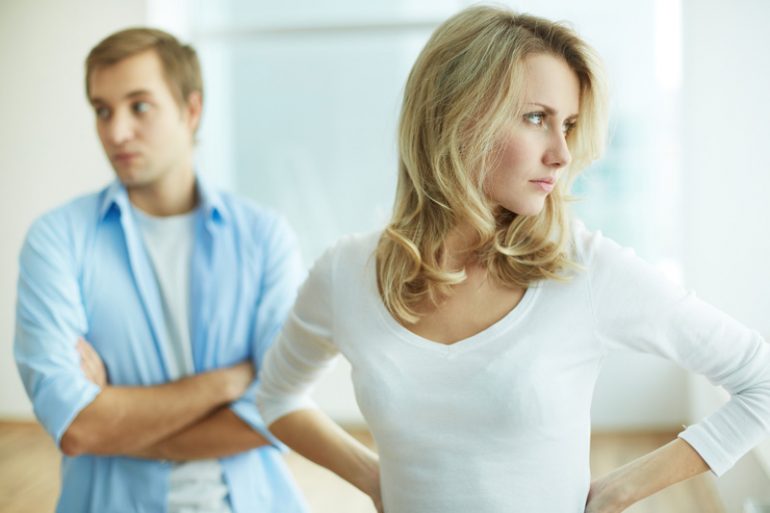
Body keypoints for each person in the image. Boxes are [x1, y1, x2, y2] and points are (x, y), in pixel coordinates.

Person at [254, 5, 770, 513]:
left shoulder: (585, 271)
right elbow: (276, 397)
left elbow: (761, 380)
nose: (561, 153)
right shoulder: (346, 274)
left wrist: (623, 488)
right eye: (536, 118)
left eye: (568, 125)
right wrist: (373, 478)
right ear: (454, 115)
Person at [14, 28, 309, 513]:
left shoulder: (264, 236)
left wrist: (115, 417)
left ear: (191, 111)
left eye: (139, 106)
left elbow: (276, 412)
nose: (116, 132)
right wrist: (226, 383)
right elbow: (77, 426)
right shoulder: (57, 239)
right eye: (102, 110)